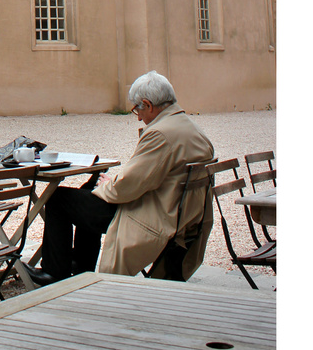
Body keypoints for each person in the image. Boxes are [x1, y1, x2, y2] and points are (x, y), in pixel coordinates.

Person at [24, 71, 215, 285]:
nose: (139, 117)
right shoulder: (191, 129)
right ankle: (80, 268)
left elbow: (127, 187)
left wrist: (107, 185)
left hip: (149, 216)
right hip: (179, 215)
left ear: (148, 104)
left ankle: (55, 272)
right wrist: (105, 187)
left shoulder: (160, 134)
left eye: (137, 110)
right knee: (86, 195)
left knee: (59, 198)